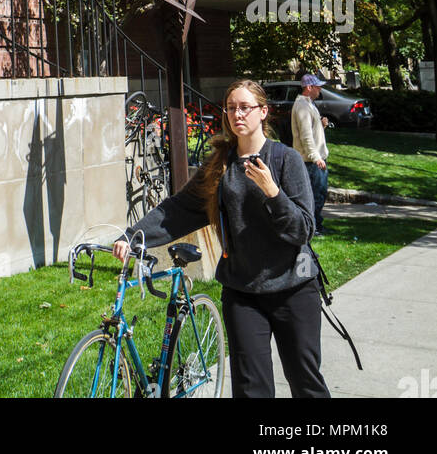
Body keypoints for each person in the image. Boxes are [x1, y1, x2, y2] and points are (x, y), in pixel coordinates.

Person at [113, 79, 330, 399]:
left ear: (262, 112)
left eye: (245, 107)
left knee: (304, 381)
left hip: (293, 290)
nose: (237, 114)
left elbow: (303, 230)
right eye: (231, 108)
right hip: (243, 292)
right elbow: (178, 210)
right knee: (251, 388)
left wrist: (274, 193)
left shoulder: (285, 160)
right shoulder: (220, 166)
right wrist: (133, 237)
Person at [291, 73, 329, 235]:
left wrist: (321, 125)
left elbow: (310, 131)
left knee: (319, 194)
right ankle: (312, 228)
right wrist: (316, 158)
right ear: (309, 87)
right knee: (314, 196)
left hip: (315, 159)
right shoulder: (302, 106)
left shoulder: (309, 104)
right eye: (317, 86)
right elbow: (306, 136)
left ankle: (317, 226)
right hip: (310, 161)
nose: (320, 89)